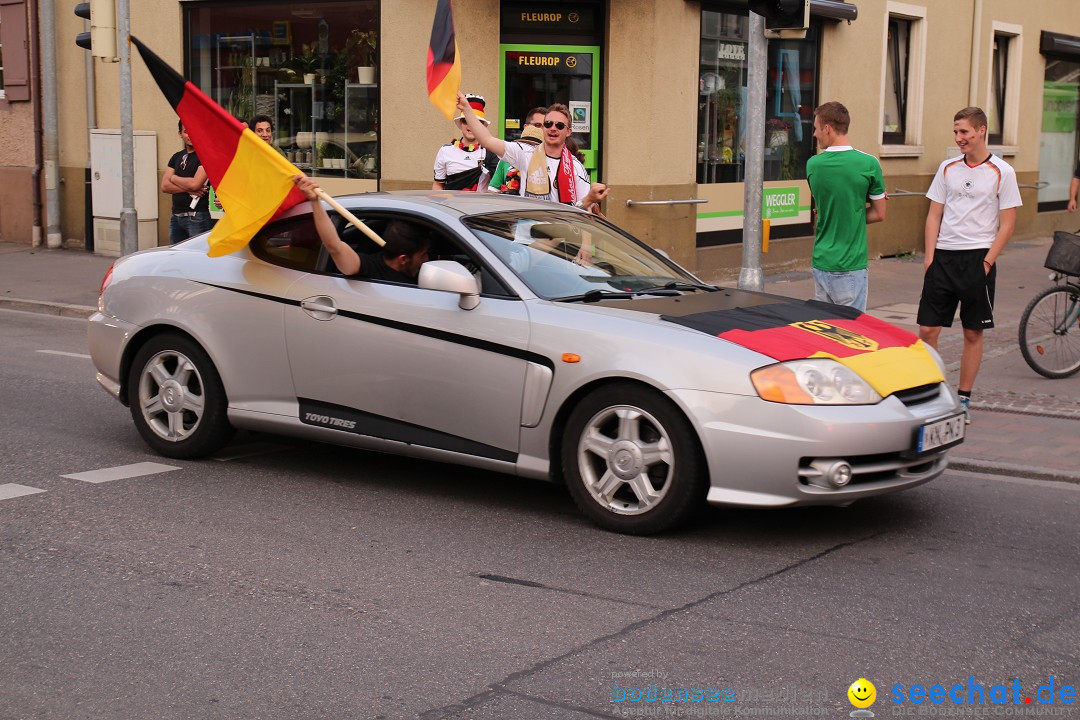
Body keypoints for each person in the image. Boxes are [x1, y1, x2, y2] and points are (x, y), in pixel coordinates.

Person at [917, 106, 1022, 424]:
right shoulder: (947, 168)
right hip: (944, 258)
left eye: (963, 131)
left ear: (981, 131)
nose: (958, 138)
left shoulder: (1003, 171)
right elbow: (934, 214)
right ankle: (937, 391)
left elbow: (1007, 224)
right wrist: (929, 257)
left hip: (978, 259)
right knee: (927, 330)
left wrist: (988, 262)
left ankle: (963, 398)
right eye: (955, 132)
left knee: (973, 333)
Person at [457, 92, 608, 211]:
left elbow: (584, 211)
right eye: (548, 124)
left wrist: (585, 245)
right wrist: (467, 109)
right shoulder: (525, 154)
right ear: (543, 128)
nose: (553, 128)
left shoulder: (576, 168)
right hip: (525, 240)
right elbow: (487, 140)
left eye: (559, 125)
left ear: (568, 132)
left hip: (559, 241)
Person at [805, 101, 887, 312]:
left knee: (825, 331)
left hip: (821, 261)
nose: (814, 134)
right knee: (851, 334)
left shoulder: (813, 165)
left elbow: (823, 209)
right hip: (850, 265)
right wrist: (857, 209)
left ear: (827, 128)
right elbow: (879, 214)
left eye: (815, 128)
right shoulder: (869, 164)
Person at [294, 176, 429, 283]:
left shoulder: (424, 274)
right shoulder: (369, 267)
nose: (427, 260)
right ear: (403, 259)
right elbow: (334, 246)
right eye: (422, 255)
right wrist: (315, 201)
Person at [433, 93, 499, 191]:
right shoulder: (445, 151)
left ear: (482, 126)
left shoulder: (492, 153)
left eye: (475, 122)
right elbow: (438, 185)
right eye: (465, 121)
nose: (470, 126)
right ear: (460, 124)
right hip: (451, 204)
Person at [161, 120, 210, 244]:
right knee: (176, 256)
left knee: (197, 258)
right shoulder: (176, 157)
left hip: (197, 216)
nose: (190, 135)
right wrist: (188, 188)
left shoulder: (204, 155)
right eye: (186, 132)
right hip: (175, 216)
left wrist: (173, 178)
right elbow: (165, 186)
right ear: (180, 134)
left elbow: (195, 184)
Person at [488, 106, 547, 194]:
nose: (541, 129)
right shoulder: (506, 158)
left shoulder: (550, 159)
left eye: (545, 126)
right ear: (526, 127)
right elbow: (492, 191)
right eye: (537, 125)